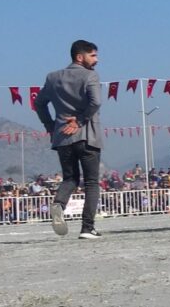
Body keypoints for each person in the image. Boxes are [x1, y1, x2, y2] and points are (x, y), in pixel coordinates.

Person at [33, 40, 104, 239]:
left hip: (62, 137)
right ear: (80, 57)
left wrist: (50, 126)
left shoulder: (53, 77)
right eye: (93, 55)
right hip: (87, 135)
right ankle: (87, 228)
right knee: (91, 182)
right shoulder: (90, 75)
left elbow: (38, 104)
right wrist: (81, 120)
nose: (97, 60)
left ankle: (58, 204)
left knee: (70, 178)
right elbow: (96, 102)